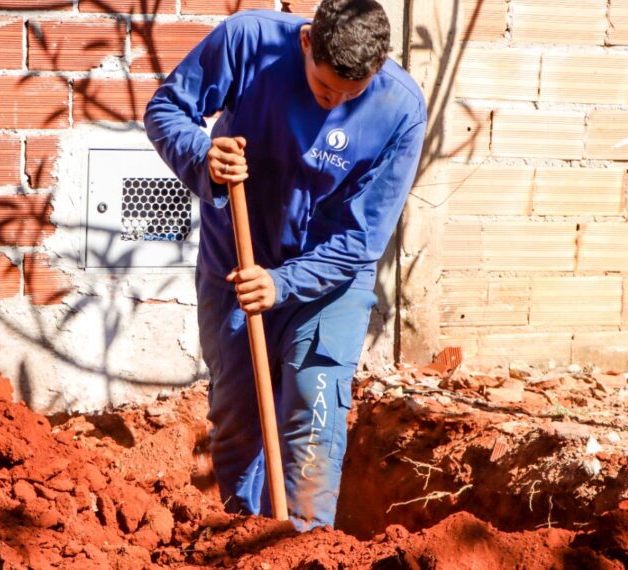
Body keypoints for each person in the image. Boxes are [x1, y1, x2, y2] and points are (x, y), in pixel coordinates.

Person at [144, 0, 426, 530]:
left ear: (379, 67)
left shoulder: (401, 109)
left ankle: (308, 549)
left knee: (314, 423)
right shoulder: (249, 41)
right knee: (238, 421)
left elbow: (362, 237)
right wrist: (203, 156)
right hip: (238, 261)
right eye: (325, 88)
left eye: (353, 94)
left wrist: (283, 283)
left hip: (330, 281)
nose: (336, 104)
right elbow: (166, 110)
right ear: (305, 43)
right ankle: (243, 540)